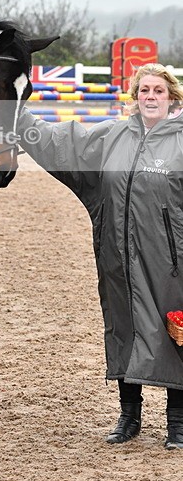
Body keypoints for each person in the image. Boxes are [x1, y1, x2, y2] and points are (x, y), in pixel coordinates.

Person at [17, 63, 183, 449]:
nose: (151, 97)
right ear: (134, 96)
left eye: (158, 90)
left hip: (171, 262)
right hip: (118, 256)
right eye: (144, 90)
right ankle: (129, 415)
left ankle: (177, 422)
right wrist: (16, 116)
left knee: (175, 333)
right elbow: (62, 141)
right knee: (122, 326)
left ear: (171, 96)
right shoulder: (114, 136)